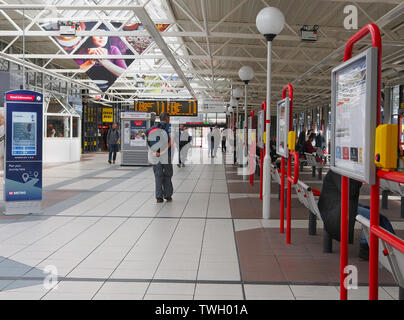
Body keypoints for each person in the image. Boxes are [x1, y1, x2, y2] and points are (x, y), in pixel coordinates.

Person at [318, 170, 395, 260]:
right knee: (372, 216)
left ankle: (392, 246)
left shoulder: (337, 169)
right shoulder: (337, 172)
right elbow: (350, 191)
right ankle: (365, 246)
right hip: (335, 208)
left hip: (336, 204)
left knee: (380, 217)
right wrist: (359, 177)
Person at [148, 112, 174, 203]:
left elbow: (147, 140)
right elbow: (171, 141)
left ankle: (159, 197)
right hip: (166, 155)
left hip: (155, 155)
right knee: (167, 175)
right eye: (169, 118)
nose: (169, 120)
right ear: (167, 118)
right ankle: (167, 195)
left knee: (158, 175)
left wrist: (155, 151)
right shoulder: (169, 127)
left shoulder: (152, 128)